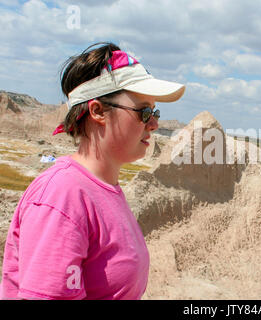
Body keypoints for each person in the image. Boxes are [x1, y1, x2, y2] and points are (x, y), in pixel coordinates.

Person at [0, 42, 185, 300]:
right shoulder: (61, 196)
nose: (154, 124)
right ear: (97, 111)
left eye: (154, 112)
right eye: (144, 112)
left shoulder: (104, 188)